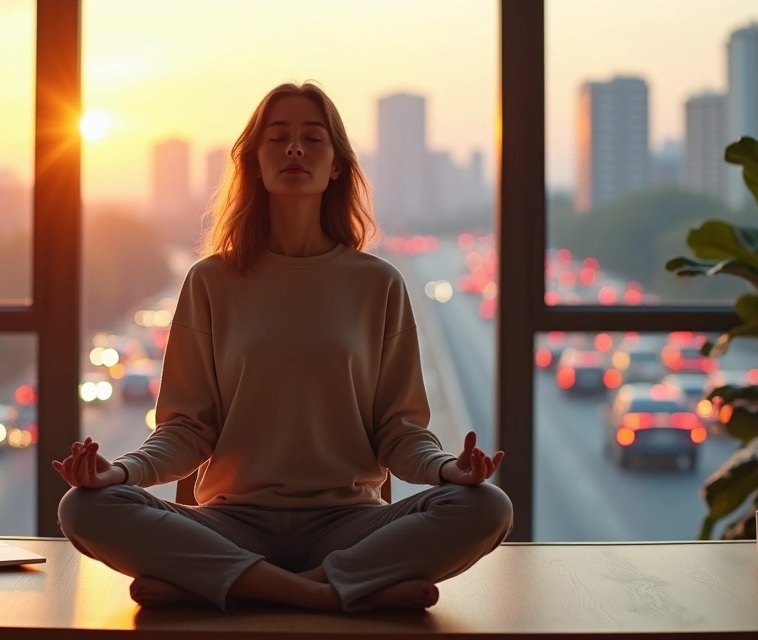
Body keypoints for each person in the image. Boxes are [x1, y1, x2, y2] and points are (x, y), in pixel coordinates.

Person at [53, 81, 513, 613]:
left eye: (312, 138)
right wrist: (119, 473)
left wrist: (446, 470)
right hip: (233, 522)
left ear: (336, 164)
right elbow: (186, 429)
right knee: (83, 509)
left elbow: (399, 432)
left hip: (349, 523)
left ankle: (226, 585)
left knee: (486, 507)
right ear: (254, 160)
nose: (295, 148)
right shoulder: (211, 281)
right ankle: (332, 591)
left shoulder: (378, 284)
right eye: (278, 138)